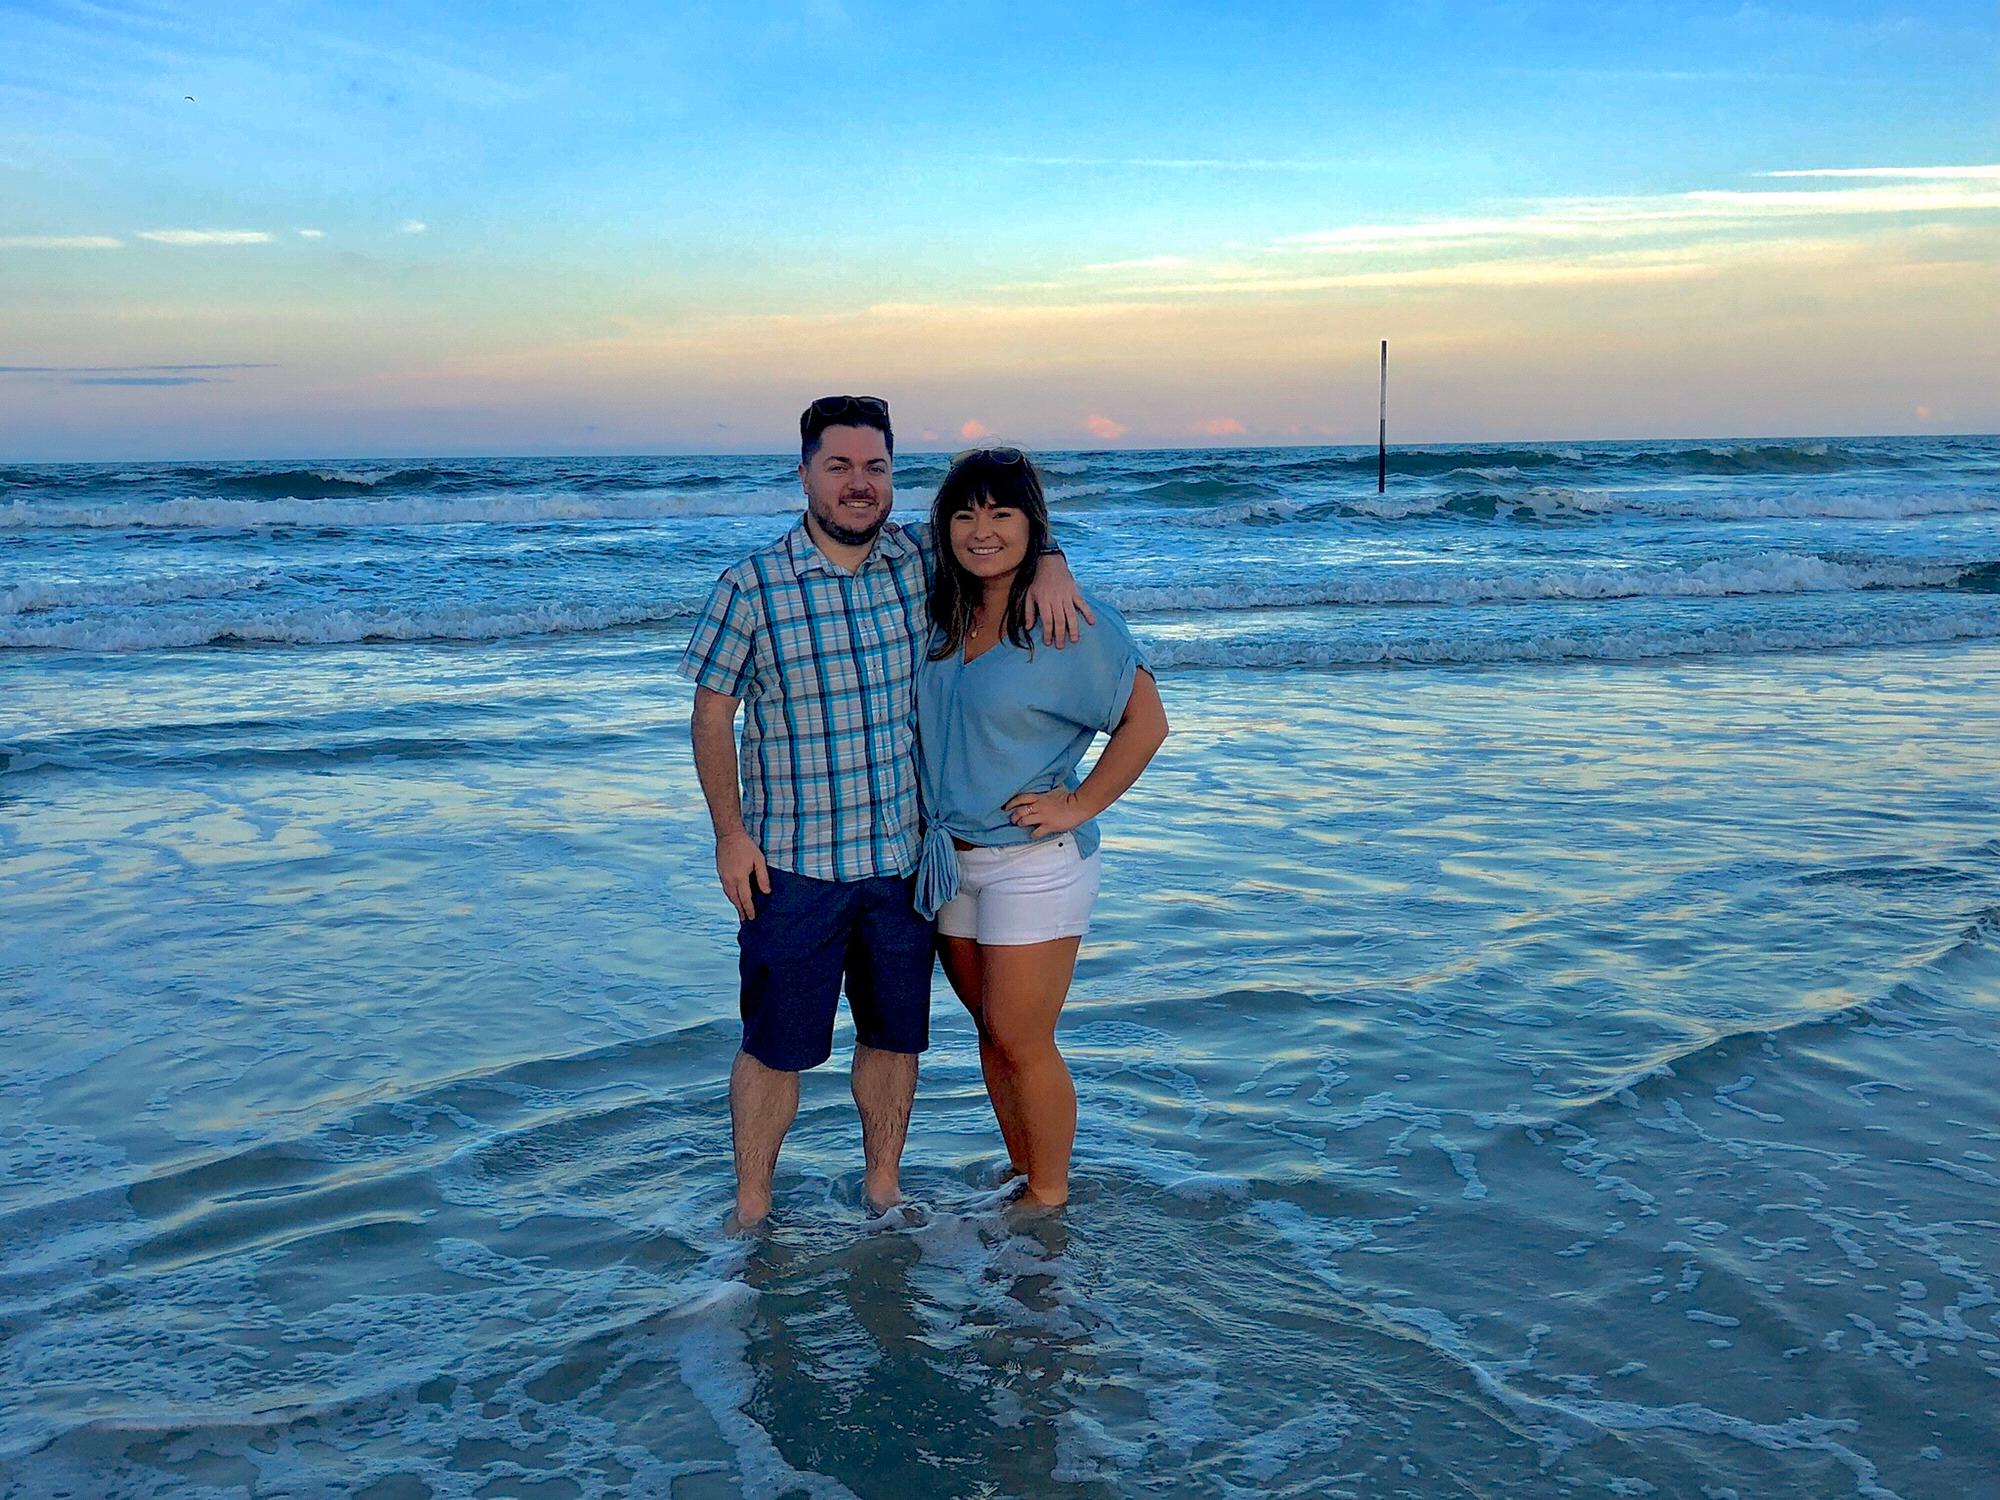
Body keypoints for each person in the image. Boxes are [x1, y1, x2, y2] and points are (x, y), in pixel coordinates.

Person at [680, 397, 1088, 1231]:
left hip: (902, 864)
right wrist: (728, 834)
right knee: (772, 1047)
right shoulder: (751, 586)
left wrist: (1051, 556)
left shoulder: (916, 563)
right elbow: (712, 712)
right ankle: (751, 1211)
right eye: (839, 467)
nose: (858, 485)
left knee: (894, 1041)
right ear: (804, 474)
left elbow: (994, 540)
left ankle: (883, 1193)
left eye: (875, 467)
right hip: (792, 864)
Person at [913, 447, 1168, 1208]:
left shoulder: (1064, 621)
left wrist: (1079, 803)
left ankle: (1050, 1198)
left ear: (1032, 522)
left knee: (1024, 1038)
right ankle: (1027, 1173)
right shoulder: (939, 608)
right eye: (964, 514)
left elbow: (1146, 724)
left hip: (1034, 859)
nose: (981, 531)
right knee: (992, 1034)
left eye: (1002, 513)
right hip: (947, 859)